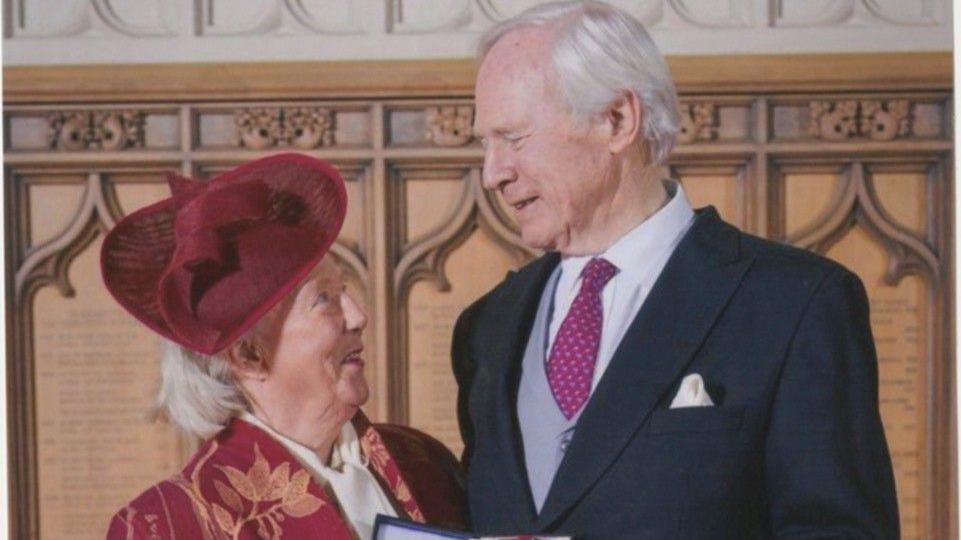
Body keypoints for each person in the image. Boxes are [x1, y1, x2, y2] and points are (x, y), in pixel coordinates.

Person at [452, 2, 899, 538]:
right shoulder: (486, 329)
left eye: (514, 138)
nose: (493, 173)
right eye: (486, 143)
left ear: (617, 120)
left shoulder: (797, 305)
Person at [102, 153, 465, 539]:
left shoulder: (424, 463)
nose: (358, 316)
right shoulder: (168, 525)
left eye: (344, 290)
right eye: (324, 299)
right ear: (248, 355)